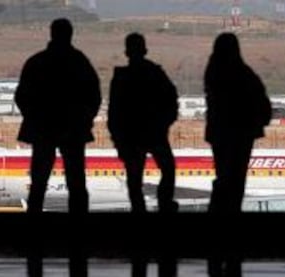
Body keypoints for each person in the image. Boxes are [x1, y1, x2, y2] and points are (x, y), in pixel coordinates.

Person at [14, 18, 101, 214]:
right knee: (77, 182)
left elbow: (21, 96)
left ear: (51, 34)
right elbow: (94, 96)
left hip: (43, 129)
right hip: (73, 130)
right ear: (70, 35)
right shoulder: (79, 61)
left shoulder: (37, 61)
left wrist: (34, 118)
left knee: (38, 182)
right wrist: (84, 120)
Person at [204, 33, 272, 277]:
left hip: (220, 135)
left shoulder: (212, 73)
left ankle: (217, 229)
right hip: (242, 136)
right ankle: (232, 229)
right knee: (236, 183)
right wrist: (256, 123)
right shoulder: (244, 73)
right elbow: (264, 104)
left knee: (223, 180)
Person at [108, 32, 179, 213]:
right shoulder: (155, 73)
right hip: (153, 133)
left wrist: (118, 141)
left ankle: (139, 208)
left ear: (126, 52)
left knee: (134, 179)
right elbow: (172, 101)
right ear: (145, 50)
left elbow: (113, 115)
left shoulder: (121, 78)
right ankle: (164, 203)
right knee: (167, 170)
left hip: (133, 136)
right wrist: (163, 124)